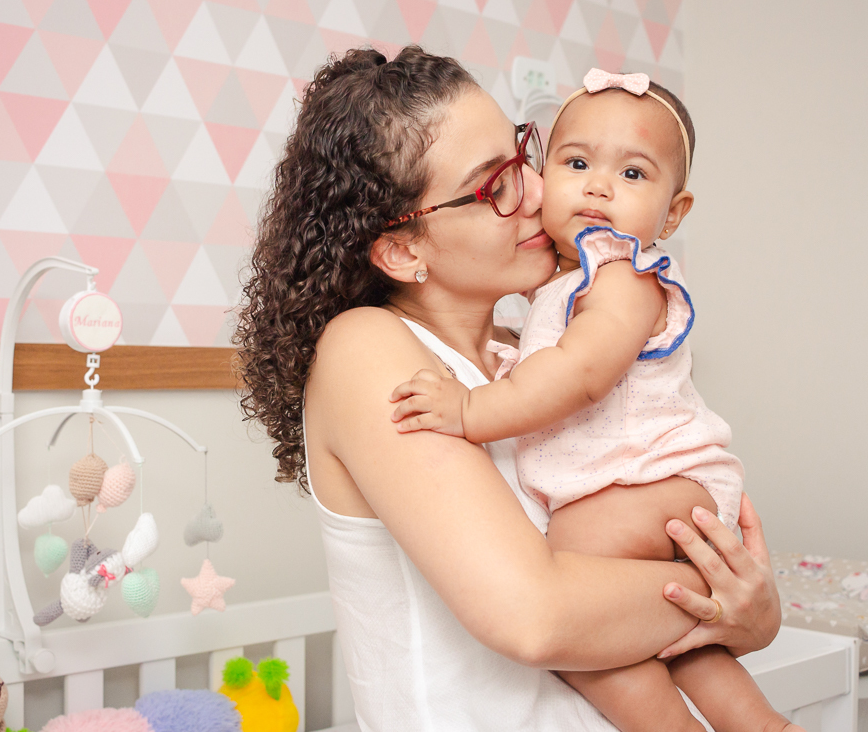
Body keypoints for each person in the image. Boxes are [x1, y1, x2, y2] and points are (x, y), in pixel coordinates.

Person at [235, 46, 783, 732]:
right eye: (494, 185)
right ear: (404, 249)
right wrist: (733, 603)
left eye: (523, 155)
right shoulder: (365, 349)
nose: (536, 190)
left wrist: (739, 610)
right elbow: (536, 615)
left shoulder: (529, 354)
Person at [390, 68, 799, 732]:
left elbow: (579, 375)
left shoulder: (623, 274)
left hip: (660, 483)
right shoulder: (561, 284)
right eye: (576, 162)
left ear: (673, 212)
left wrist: (469, 411)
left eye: (634, 174)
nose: (600, 185)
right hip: (638, 489)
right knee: (664, 641)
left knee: (575, 591)